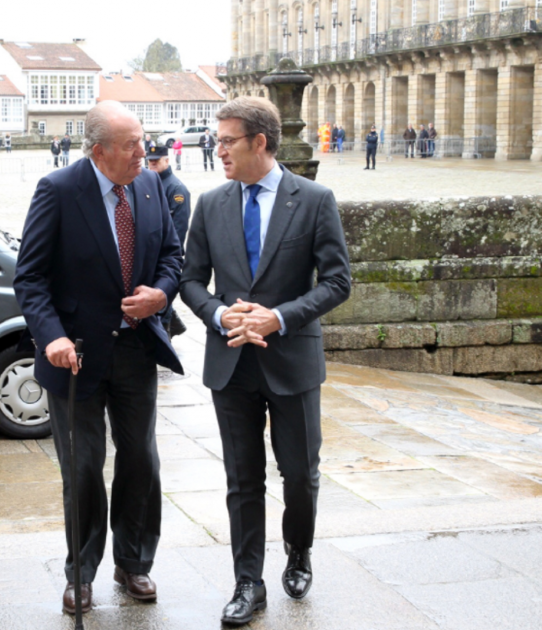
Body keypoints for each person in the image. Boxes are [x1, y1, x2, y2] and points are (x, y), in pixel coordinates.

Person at [179, 97, 351, 626]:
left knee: (299, 474)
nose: (218, 148)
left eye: (227, 140)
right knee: (242, 477)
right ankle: (247, 583)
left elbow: (338, 282)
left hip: (292, 359)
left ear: (260, 142)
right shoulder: (210, 203)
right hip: (231, 363)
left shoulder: (315, 199)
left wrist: (278, 317)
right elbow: (189, 280)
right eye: (217, 139)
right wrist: (219, 315)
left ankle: (298, 551)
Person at [14, 101, 184, 616]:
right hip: (76, 358)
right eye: (132, 143)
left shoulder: (151, 185)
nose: (144, 150)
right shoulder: (59, 190)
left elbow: (174, 256)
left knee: (141, 461)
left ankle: (133, 562)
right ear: (98, 151)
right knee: (84, 468)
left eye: (144, 139)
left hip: (135, 349)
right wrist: (52, 337)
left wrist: (161, 293)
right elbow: (31, 277)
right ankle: (81, 573)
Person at [147, 144, 191, 338]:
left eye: (157, 161)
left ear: (167, 160)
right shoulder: (145, 183)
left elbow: (179, 228)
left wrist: (168, 254)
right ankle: (175, 324)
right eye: (150, 161)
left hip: (163, 253)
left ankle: (165, 334)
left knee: (162, 293)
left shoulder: (176, 189)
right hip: (150, 252)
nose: (153, 164)